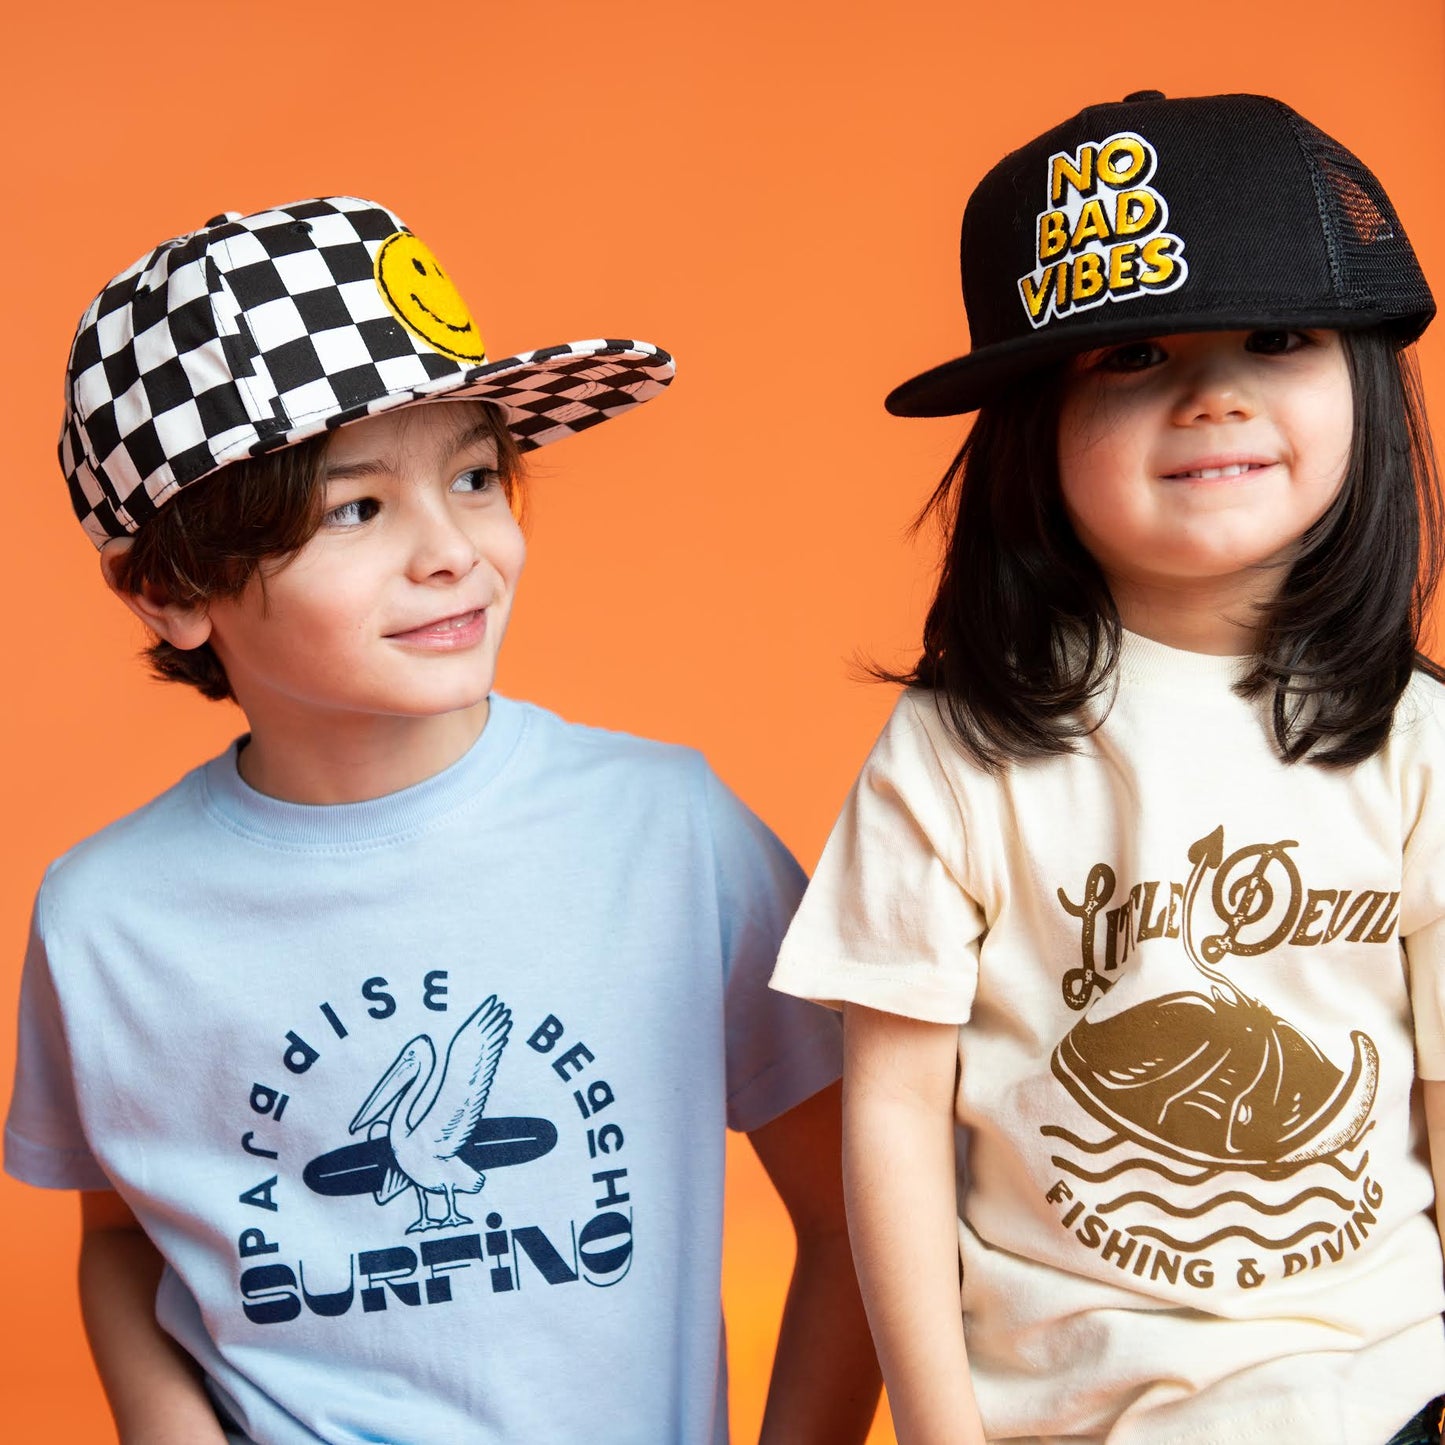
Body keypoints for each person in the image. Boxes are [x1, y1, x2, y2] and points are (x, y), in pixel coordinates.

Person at [4, 197, 879, 1444]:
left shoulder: (668, 834)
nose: (455, 550)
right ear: (170, 587)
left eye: (475, 477)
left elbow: (861, 1210)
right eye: (358, 509)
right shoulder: (106, 917)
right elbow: (117, 1239)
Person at [770, 90, 1445, 1445]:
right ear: (1030, 427)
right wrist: (942, 1428)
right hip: (1054, 1416)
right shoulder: (953, 754)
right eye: (1132, 351)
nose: (1213, 392)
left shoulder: (1415, 742)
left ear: (1365, 375)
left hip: (1376, 1393)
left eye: (1278, 335)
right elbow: (893, 1121)